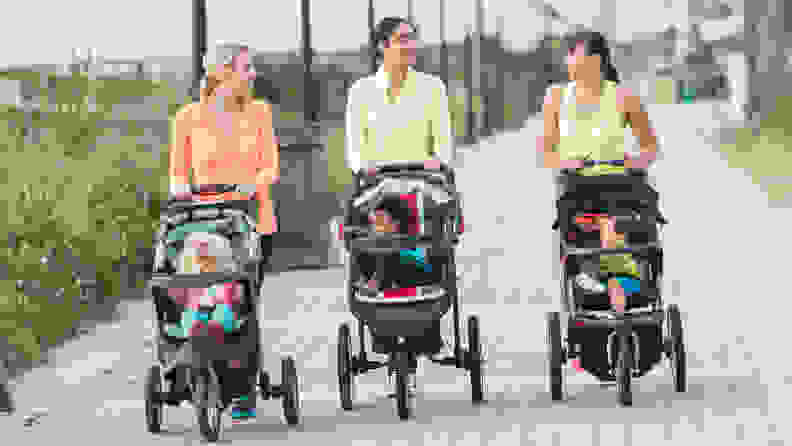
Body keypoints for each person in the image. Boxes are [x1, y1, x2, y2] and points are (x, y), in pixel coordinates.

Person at [169, 41, 278, 423]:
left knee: (241, 301)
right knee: (198, 296)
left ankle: (243, 384)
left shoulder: (260, 113)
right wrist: (181, 188)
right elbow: (178, 172)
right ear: (222, 74)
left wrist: (251, 184)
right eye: (246, 69)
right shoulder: (188, 118)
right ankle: (194, 366)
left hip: (250, 221)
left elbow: (270, 168)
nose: (253, 76)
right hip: (202, 221)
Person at [344, 17, 456, 369]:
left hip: (422, 183)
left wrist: (436, 162)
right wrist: (364, 166)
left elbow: (444, 144)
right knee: (376, 234)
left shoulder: (432, 88)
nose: (411, 46)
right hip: (378, 186)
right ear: (382, 47)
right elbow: (354, 146)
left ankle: (430, 320)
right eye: (402, 39)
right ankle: (379, 312)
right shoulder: (362, 91)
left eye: (413, 39)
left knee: (429, 232)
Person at [538, 30, 660, 313]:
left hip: (620, 184)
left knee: (630, 225)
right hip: (578, 186)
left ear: (596, 61)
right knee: (591, 235)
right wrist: (565, 162)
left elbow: (651, 148)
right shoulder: (556, 97)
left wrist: (636, 161)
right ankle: (604, 283)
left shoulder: (624, 96)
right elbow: (547, 152)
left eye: (574, 53)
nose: (568, 60)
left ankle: (620, 282)